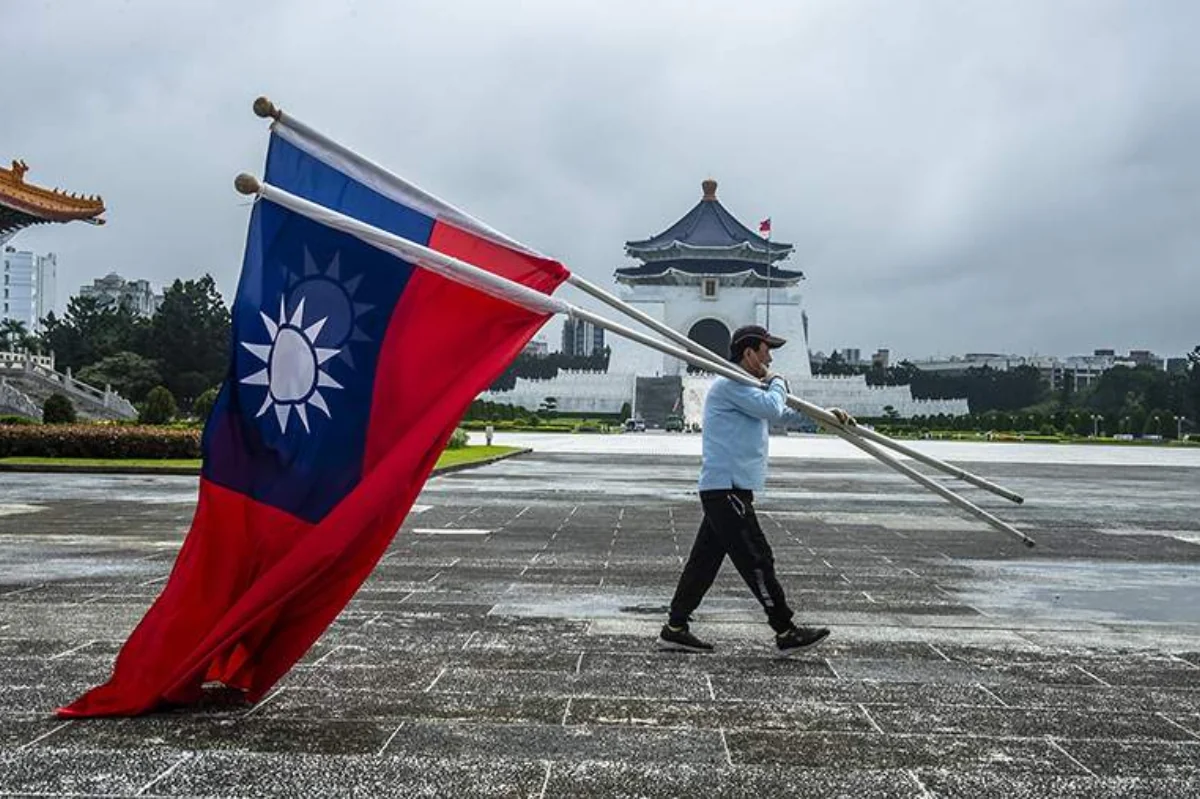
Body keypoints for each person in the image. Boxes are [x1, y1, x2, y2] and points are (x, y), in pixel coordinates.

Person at [659, 324, 853, 657]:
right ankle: (785, 629)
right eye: (766, 349)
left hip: (727, 489)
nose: (770, 356)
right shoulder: (730, 383)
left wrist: (826, 417)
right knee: (757, 559)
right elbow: (772, 408)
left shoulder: (746, 387)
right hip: (727, 490)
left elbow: (783, 415)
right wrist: (777, 381)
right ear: (748, 353)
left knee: (703, 563)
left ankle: (675, 628)